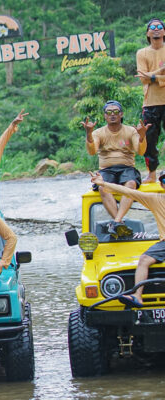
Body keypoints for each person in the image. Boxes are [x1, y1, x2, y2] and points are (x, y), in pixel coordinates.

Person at [90, 171, 165, 307]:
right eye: (164, 181)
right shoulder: (156, 199)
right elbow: (128, 192)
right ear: (162, 185)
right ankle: (137, 296)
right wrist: (103, 184)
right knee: (144, 259)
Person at [82, 100, 149, 237]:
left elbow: (140, 151)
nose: (112, 114)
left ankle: (117, 222)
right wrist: (89, 134)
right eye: (109, 112)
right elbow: (92, 151)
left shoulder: (130, 131)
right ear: (105, 115)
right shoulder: (99, 132)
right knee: (102, 187)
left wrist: (142, 137)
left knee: (131, 184)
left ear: (121, 114)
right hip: (106, 169)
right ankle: (120, 224)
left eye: (116, 111)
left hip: (127, 167)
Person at [137, 18, 165, 183]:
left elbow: (147, 76)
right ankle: (152, 174)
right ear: (148, 33)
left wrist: (152, 76)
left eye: (159, 26)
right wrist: (161, 70)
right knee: (150, 139)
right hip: (151, 102)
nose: (156, 29)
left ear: (164, 32)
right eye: (152, 27)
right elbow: (142, 79)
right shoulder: (142, 53)